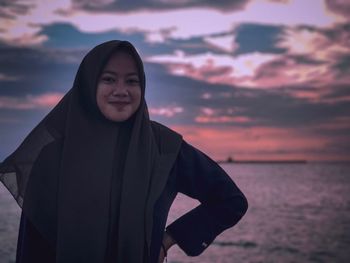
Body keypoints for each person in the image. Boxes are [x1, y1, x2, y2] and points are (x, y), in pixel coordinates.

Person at [0, 40, 248, 263]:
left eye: (132, 81)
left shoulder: (164, 148)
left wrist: (169, 238)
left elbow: (229, 201)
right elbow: (32, 247)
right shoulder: (54, 156)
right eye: (108, 79)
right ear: (89, 85)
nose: (121, 90)